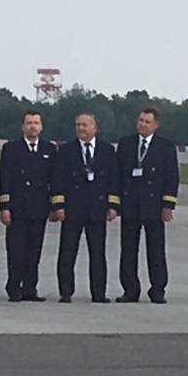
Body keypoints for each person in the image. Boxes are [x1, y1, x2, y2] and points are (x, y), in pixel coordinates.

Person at [51, 113, 119, 303]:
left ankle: (98, 293)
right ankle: (65, 292)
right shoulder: (66, 150)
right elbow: (58, 179)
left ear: (94, 128)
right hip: (72, 209)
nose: (80, 128)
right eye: (78, 125)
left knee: (98, 253)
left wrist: (113, 205)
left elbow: (114, 180)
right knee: (67, 252)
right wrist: (58, 205)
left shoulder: (107, 151)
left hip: (97, 209)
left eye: (84, 125)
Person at [115, 107, 179, 304]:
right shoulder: (126, 144)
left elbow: (171, 177)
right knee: (128, 249)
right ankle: (130, 289)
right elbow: (117, 175)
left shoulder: (165, 147)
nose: (142, 124)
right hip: (131, 205)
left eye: (147, 122)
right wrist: (115, 204)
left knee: (156, 250)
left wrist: (168, 205)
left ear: (156, 125)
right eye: (141, 120)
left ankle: (157, 289)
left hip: (154, 205)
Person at [0, 110, 57, 301]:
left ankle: (30, 288)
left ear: (41, 127)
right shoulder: (11, 148)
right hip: (17, 209)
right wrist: (4, 207)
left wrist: (54, 206)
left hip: (39, 208)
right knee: (16, 250)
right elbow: (4, 178)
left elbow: (53, 180)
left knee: (34, 250)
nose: (33, 126)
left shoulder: (49, 149)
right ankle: (14, 287)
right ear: (23, 126)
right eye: (29, 123)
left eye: (36, 123)